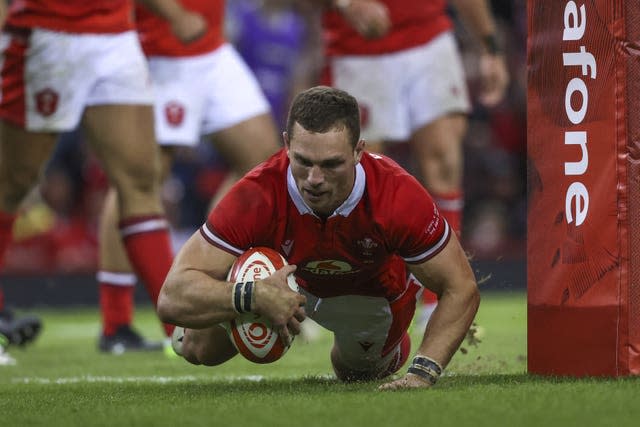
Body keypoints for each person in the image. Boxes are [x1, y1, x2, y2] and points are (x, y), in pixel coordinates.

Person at [158, 86, 480, 389]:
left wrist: (422, 373)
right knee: (197, 346)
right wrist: (252, 295)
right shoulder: (256, 193)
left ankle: (391, 347)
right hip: (283, 281)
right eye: (303, 161)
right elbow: (171, 297)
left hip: (371, 297)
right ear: (287, 145)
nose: (314, 179)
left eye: (331, 164)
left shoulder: (397, 196)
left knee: (354, 374)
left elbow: (461, 288)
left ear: (358, 152)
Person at [0, 0, 206, 362]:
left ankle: (180, 331)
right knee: (13, 182)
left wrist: (173, 15)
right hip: (44, 32)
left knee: (140, 183)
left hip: (115, 36)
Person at [95, 0, 281, 353]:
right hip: (161, 50)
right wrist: (176, 15)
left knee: (263, 161)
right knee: (138, 182)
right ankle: (116, 322)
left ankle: (216, 264)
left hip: (211, 47)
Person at [316, 0, 509, 320]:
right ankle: (362, 290)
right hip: (358, 49)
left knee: (444, 162)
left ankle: (442, 297)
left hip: (429, 39)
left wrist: (489, 45)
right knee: (357, 176)